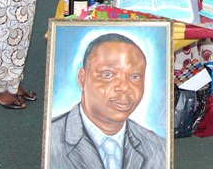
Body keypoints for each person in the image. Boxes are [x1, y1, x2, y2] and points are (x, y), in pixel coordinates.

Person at [50, 33, 165, 168]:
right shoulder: (50, 139)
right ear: (82, 79)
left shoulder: (158, 148)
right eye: (108, 74)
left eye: (135, 77)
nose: (124, 87)